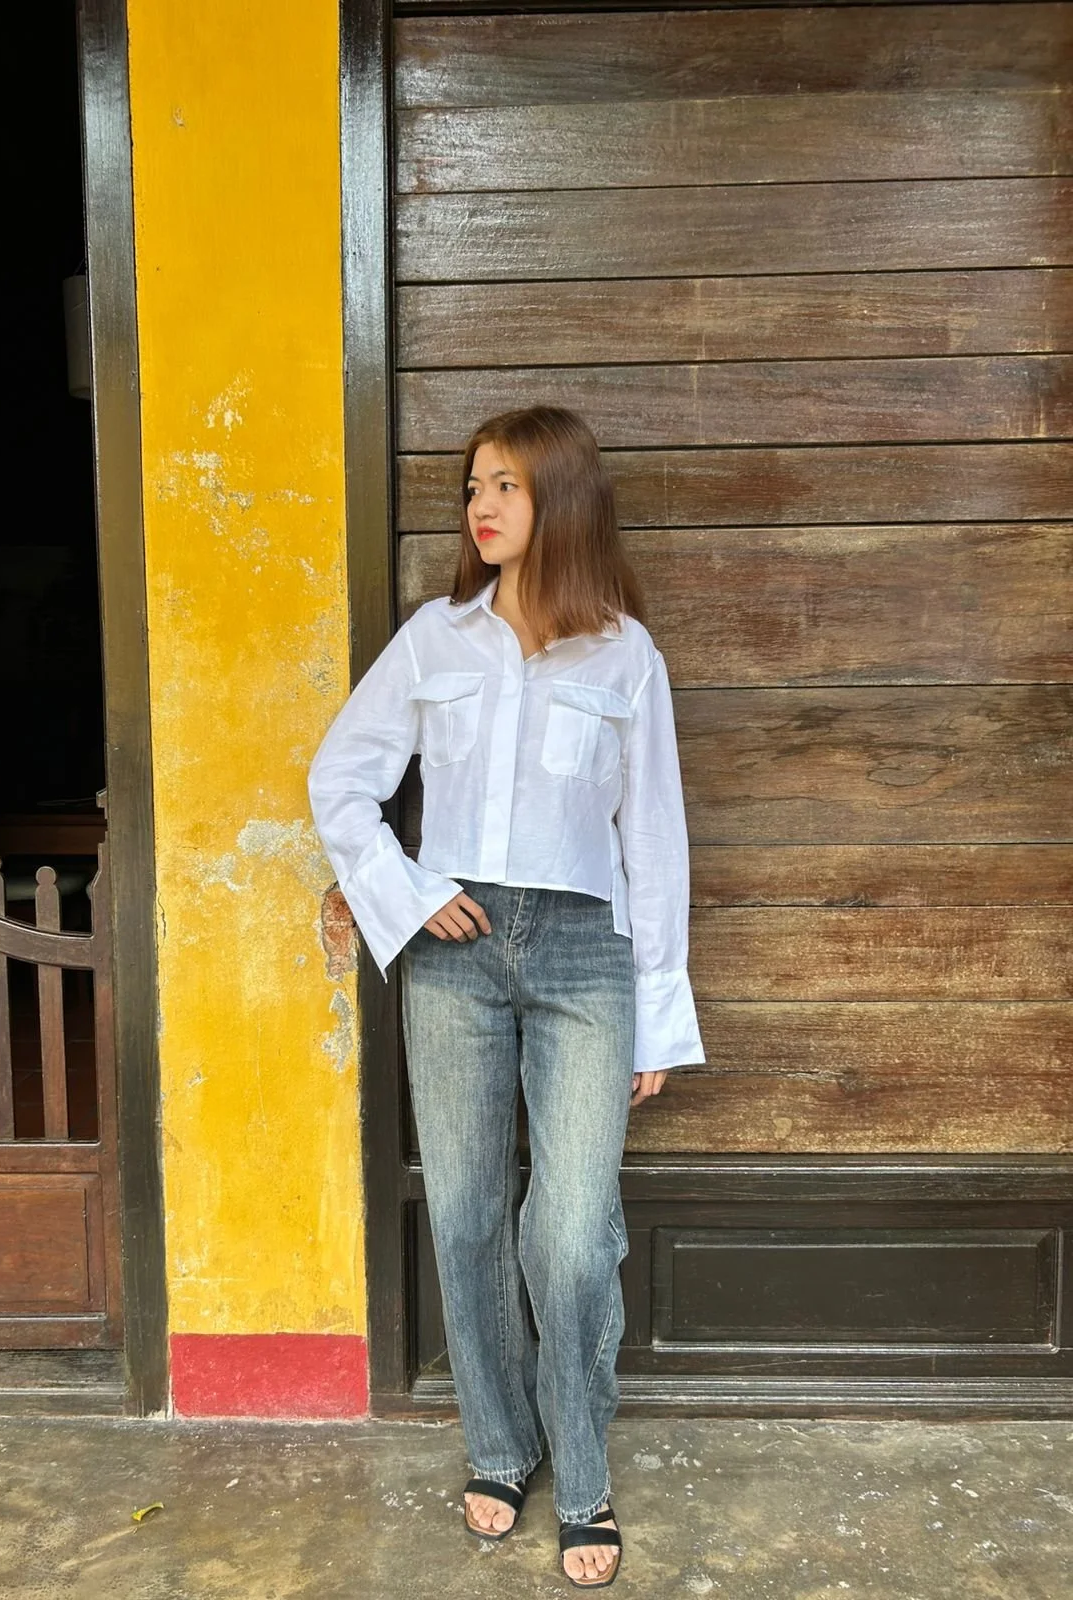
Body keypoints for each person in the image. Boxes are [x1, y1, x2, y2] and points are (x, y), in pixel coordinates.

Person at [309, 405, 705, 1588]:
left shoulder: (625, 653)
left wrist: (658, 1010)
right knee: (471, 1214)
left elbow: (659, 843)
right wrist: (406, 890)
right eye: (474, 485)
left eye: (508, 487)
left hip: (587, 954)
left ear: (562, 501)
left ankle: (581, 1471)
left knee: (573, 1235)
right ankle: (499, 1445)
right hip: (458, 952)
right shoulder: (437, 638)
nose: (482, 505)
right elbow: (343, 776)